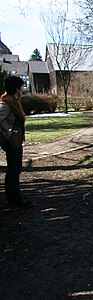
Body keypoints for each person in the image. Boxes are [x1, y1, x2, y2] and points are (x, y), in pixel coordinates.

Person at [0, 76, 32, 208]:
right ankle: (14, 198)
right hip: (11, 141)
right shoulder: (6, 103)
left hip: (15, 140)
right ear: (16, 88)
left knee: (15, 169)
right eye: (21, 87)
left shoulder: (13, 101)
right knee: (13, 169)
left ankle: (14, 195)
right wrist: (7, 133)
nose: (22, 89)